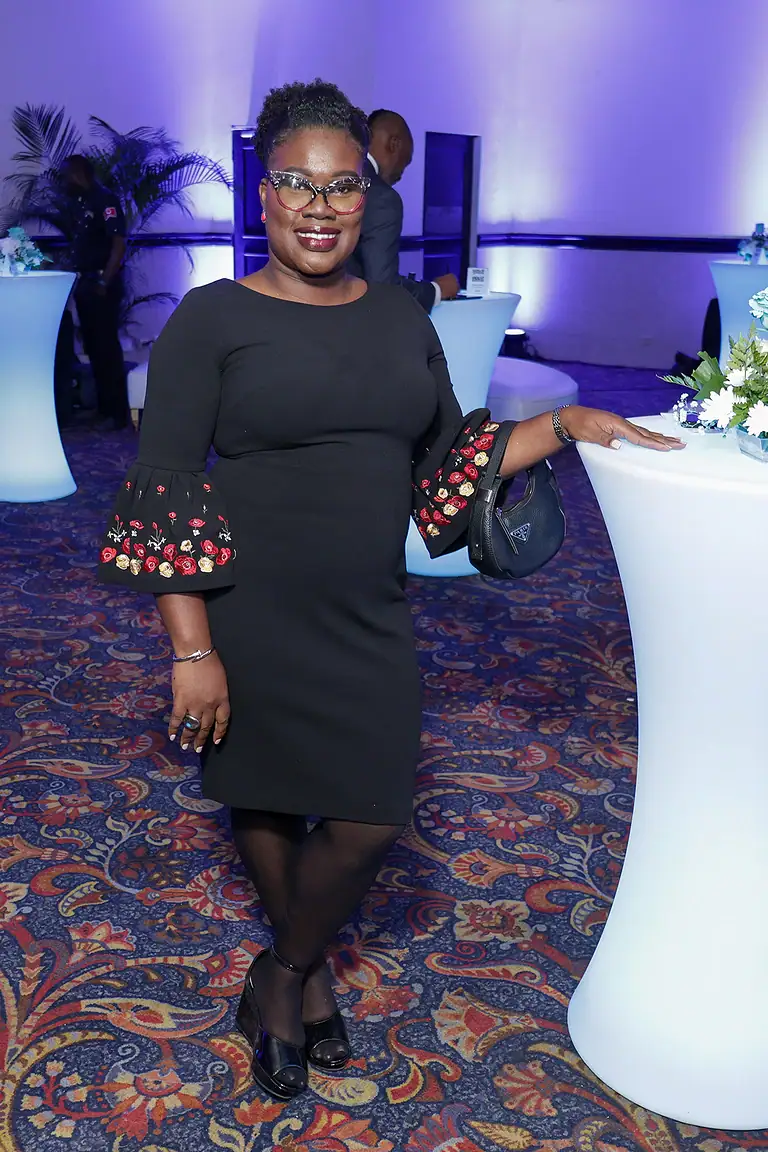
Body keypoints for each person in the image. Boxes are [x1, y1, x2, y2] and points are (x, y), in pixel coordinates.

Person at [97, 78, 684, 1102]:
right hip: (247, 610)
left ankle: (281, 971)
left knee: (369, 819)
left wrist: (573, 424)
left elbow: (448, 462)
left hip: (367, 609)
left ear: (366, 198)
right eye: (296, 183)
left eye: (342, 186)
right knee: (266, 796)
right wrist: (193, 651)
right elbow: (166, 489)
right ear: (263, 196)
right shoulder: (212, 319)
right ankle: (302, 986)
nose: (320, 206)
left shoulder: (401, 319)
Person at [345, 109, 459, 311]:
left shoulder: (337, 178)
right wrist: (436, 290)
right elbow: (382, 286)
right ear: (394, 144)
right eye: (404, 163)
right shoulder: (382, 197)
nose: (400, 175)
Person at [61, 154, 129, 430]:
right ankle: (102, 408)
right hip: (85, 284)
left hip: (103, 285)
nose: (64, 181)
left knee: (106, 348)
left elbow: (118, 245)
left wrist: (104, 281)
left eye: (67, 175)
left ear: (79, 173)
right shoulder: (81, 203)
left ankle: (116, 413)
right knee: (93, 347)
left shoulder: (105, 201)